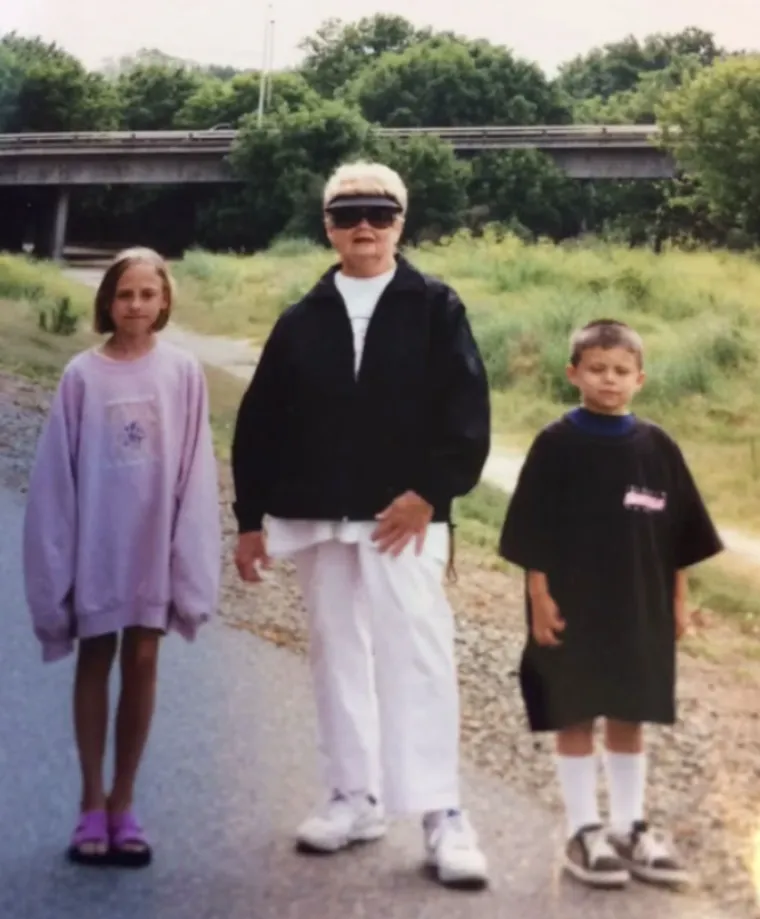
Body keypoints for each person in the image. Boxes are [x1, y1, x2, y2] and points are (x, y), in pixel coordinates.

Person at [231, 162, 491, 888]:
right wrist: (249, 518)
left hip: (403, 517)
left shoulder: (436, 306)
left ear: (401, 222)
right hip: (317, 515)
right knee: (335, 650)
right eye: (348, 215)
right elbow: (260, 423)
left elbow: (467, 414)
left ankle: (443, 814)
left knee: (419, 654)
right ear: (328, 227)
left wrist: (429, 493)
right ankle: (355, 795)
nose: (365, 226)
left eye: (380, 213)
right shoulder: (301, 318)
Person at [498, 319, 723, 890]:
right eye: (597, 369)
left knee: (629, 713)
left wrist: (679, 602)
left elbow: (681, 535)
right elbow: (530, 528)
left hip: (639, 608)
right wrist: (538, 598)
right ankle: (585, 830)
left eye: (621, 371)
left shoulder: (657, 448)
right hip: (571, 606)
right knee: (574, 710)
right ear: (573, 373)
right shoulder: (556, 444)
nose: (609, 380)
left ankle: (630, 828)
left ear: (640, 379)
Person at [23, 247, 221, 868]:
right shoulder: (83, 376)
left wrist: (188, 561)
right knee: (96, 654)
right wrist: (57, 568)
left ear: (164, 301)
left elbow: (196, 471)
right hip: (97, 548)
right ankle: (90, 800)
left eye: (147, 294)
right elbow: (57, 478)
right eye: (124, 294)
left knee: (142, 656)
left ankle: (124, 801)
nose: (135, 305)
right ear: (107, 301)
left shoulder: (184, 373)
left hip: (153, 547)